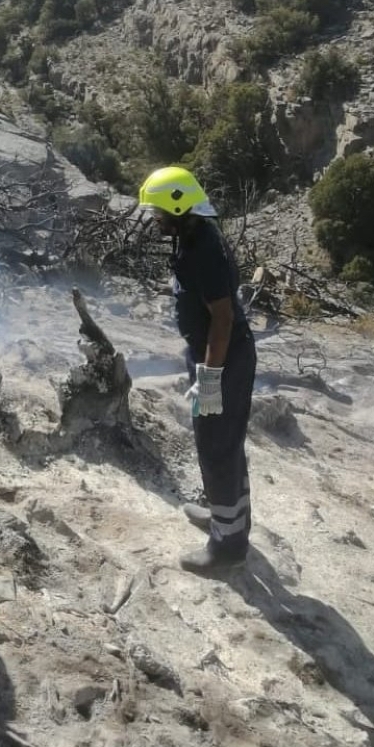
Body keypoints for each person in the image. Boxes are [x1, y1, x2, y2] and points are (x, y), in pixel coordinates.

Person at [138, 166, 257, 572]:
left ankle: (227, 547)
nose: (155, 218)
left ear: (178, 207)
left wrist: (209, 377)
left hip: (222, 359)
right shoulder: (195, 236)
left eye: (158, 211)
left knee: (216, 445)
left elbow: (222, 320)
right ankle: (229, 520)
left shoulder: (202, 250)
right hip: (214, 355)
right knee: (223, 441)